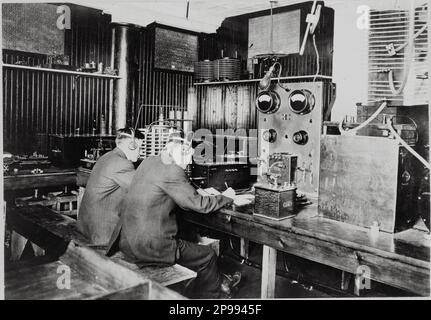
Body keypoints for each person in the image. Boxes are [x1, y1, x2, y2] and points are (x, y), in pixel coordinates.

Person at [110, 138, 244, 298]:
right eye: (187, 160)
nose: (188, 165)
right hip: (150, 246)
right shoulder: (173, 170)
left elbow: (168, 188)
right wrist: (226, 197)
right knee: (208, 255)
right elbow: (201, 205)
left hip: (127, 240)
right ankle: (212, 296)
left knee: (187, 236)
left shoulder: (148, 161)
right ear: (180, 156)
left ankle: (221, 282)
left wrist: (192, 192)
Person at [77, 127, 144, 246]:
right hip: (102, 232)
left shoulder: (107, 156)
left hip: (87, 224)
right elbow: (142, 190)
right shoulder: (122, 163)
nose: (139, 153)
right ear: (131, 145)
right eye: (139, 148)